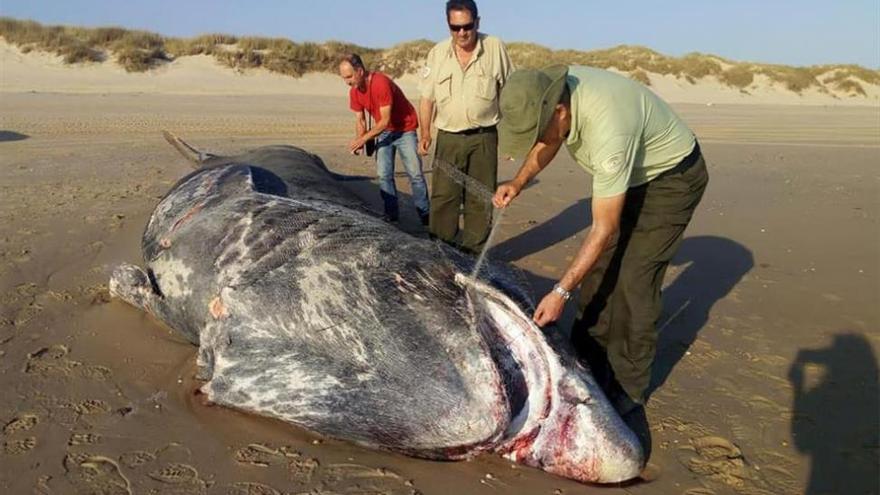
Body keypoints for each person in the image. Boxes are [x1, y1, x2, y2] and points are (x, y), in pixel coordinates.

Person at [492, 65, 709, 446]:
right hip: (631, 171)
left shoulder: (608, 129)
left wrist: (559, 292)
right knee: (599, 274)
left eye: (537, 129)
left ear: (560, 110)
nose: (535, 139)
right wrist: (518, 182)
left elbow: (603, 229)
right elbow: (548, 142)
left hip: (671, 178)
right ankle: (586, 361)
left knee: (635, 280)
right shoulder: (555, 99)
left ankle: (629, 387)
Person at [418, 0, 512, 253]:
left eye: (467, 26)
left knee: (480, 198)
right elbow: (427, 98)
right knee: (444, 198)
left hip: (484, 138)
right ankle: (441, 253)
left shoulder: (494, 47)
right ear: (448, 25)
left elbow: (510, 94)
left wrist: (512, 140)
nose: (461, 33)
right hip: (448, 137)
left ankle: (473, 255)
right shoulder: (437, 53)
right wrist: (425, 133)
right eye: (455, 27)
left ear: (477, 22)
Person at [339, 53, 430, 225]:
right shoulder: (354, 92)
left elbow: (385, 120)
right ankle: (391, 215)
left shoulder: (380, 83)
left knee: (415, 174)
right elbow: (360, 119)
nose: (347, 82)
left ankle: (425, 214)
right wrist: (360, 140)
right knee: (384, 175)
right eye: (344, 78)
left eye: (349, 76)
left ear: (359, 71)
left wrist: (363, 139)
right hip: (383, 132)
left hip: (405, 129)